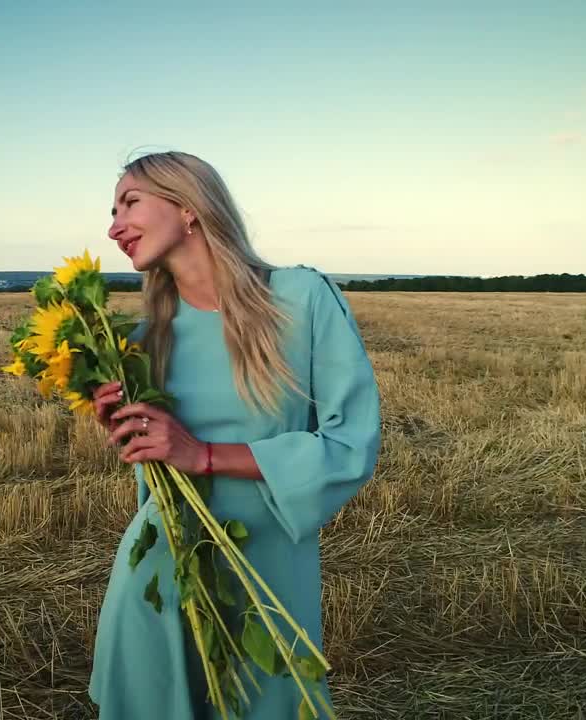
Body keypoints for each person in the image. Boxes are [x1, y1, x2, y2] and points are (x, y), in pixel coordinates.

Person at [86, 150, 381, 720]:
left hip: (269, 564)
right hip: (161, 564)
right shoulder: (146, 339)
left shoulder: (302, 299)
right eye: (113, 209)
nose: (113, 226)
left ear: (189, 207)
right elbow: (158, 465)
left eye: (130, 203)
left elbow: (350, 446)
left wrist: (204, 455)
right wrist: (127, 428)